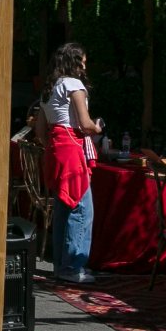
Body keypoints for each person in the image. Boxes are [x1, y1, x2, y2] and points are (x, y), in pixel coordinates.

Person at [40, 41, 105, 286]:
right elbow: (85, 124)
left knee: (63, 208)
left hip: (55, 148)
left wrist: (53, 145)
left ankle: (60, 265)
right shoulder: (74, 85)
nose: (84, 67)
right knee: (81, 208)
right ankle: (72, 266)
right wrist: (97, 127)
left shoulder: (49, 89)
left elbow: (40, 130)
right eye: (82, 62)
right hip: (71, 149)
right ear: (73, 62)